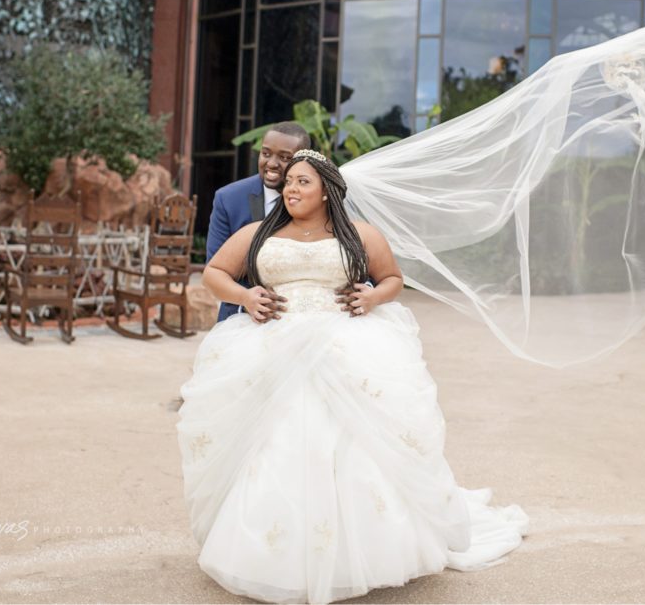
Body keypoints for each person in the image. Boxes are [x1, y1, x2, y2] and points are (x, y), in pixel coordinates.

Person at [177, 149, 528, 604]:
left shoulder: (360, 234)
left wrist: (371, 298)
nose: (291, 189)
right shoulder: (258, 233)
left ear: (326, 189)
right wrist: (246, 297)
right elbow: (216, 272)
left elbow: (392, 279)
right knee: (273, 441)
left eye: (302, 181)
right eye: (288, 182)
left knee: (354, 441)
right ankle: (268, 554)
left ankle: (368, 550)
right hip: (271, 348)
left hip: (344, 347)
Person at [205, 121, 310, 322]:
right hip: (242, 320)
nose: (271, 163)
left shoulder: (319, 198)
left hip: (307, 323)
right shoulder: (228, 199)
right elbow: (213, 273)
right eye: (266, 153)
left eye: (284, 157)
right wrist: (246, 299)